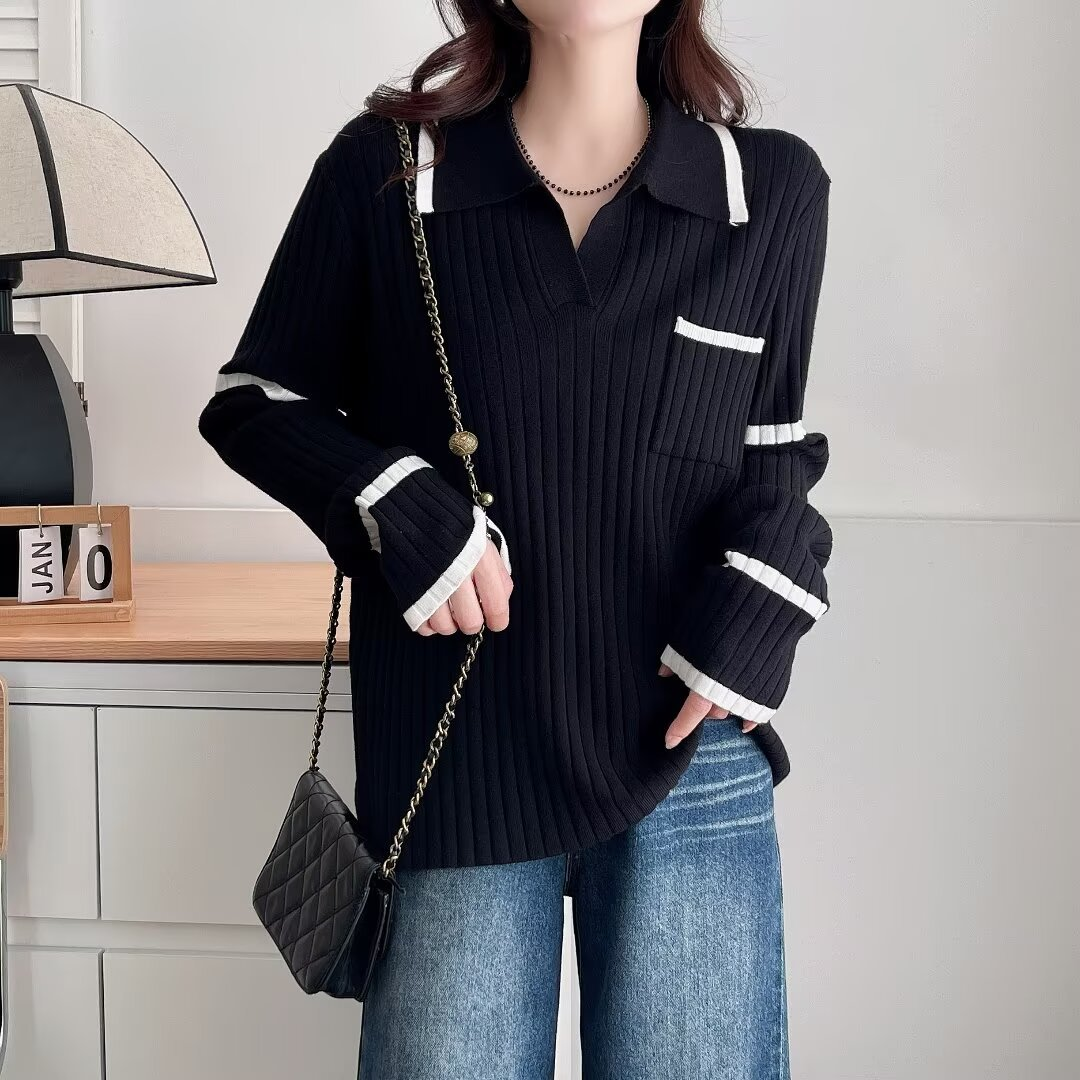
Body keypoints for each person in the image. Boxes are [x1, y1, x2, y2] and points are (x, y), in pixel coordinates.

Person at [199, 1, 833, 1076]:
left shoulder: (765, 188)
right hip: (459, 762)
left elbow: (772, 456)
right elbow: (256, 404)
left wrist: (766, 604)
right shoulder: (390, 171)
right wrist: (402, 504)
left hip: (690, 755)